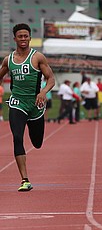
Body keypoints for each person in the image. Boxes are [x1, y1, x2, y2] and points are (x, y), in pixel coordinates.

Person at [0, 23, 55, 191]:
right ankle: (25, 179)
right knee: (17, 137)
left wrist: (43, 92)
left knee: (37, 142)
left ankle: (35, 131)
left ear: (30, 38)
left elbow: (51, 78)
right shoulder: (8, 60)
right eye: (20, 36)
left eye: (26, 36)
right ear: (15, 38)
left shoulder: (37, 57)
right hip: (17, 102)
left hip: (35, 105)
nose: (23, 39)